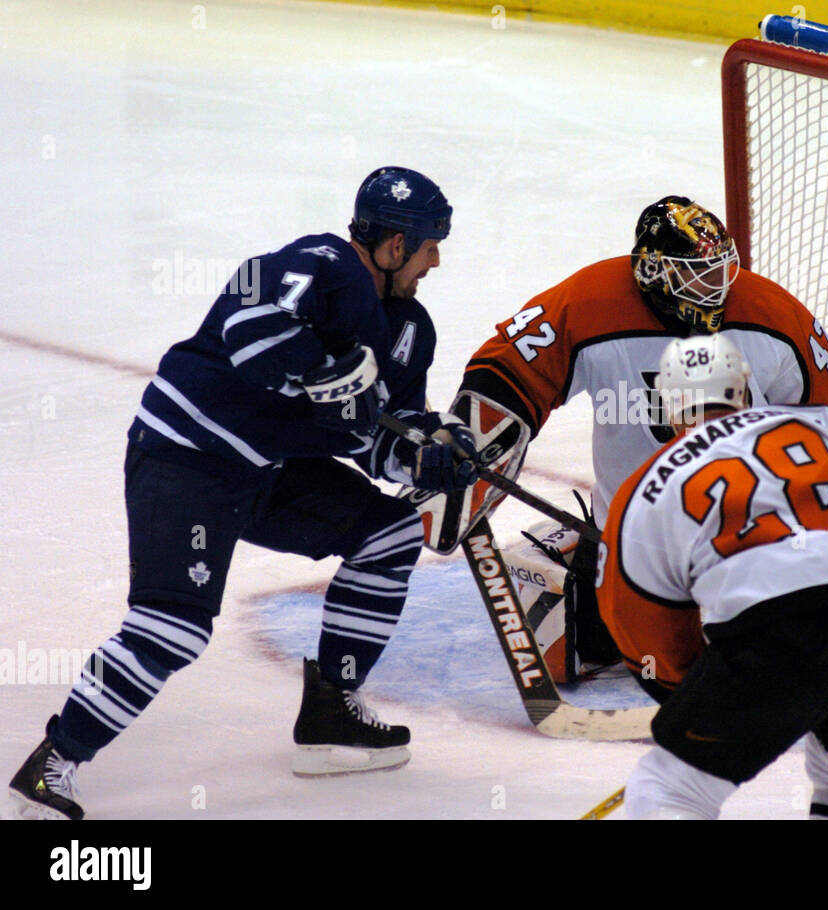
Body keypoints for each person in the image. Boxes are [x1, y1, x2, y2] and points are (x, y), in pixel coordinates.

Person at [8, 166, 479, 820]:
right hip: (189, 455)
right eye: (430, 245)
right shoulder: (319, 264)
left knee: (390, 534)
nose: (436, 260)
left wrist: (423, 455)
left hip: (266, 468)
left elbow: (376, 437)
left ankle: (331, 714)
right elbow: (250, 328)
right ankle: (54, 761)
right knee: (171, 627)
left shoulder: (407, 332)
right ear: (395, 244)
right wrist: (323, 373)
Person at [433, 195, 828, 680]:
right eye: (697, 276)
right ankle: (580, 560)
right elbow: (508, 372)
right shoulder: (589, 303)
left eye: (721, 271)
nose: (717, 288)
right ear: (652, 270)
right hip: (634, 541)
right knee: (584, 642)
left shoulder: (770, 313)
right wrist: (466, 445)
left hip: (746, 538)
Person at [598, 334, 828, 819]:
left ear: (668, 403)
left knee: (668, 790)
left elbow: (635, 612)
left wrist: (698, 693)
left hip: (776, 643)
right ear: (743, 388)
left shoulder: (649, 482)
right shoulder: (824, 423)